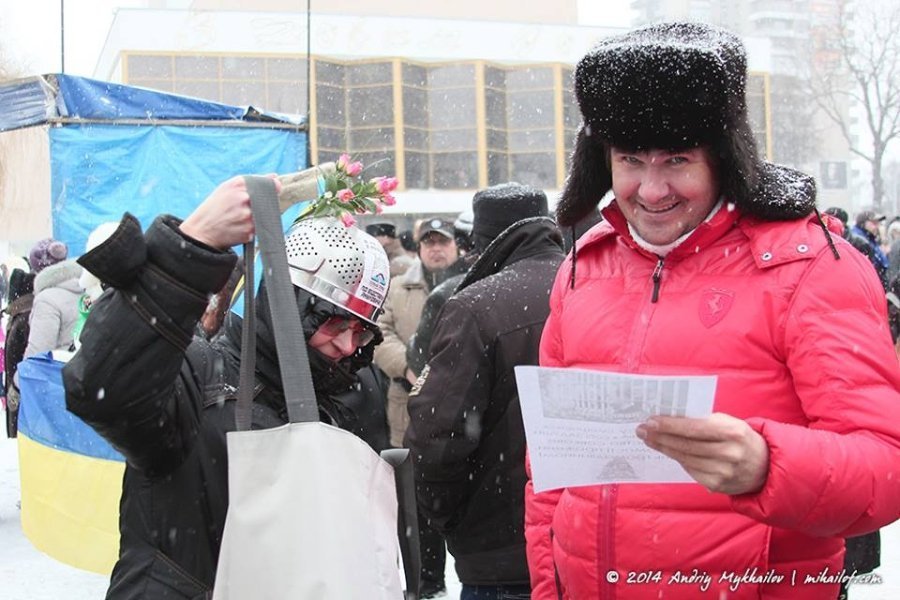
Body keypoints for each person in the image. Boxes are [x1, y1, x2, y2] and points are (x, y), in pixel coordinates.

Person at [525, 22, 900, 600]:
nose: (651, 190)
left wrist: (769, 465)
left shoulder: (808, 268)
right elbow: (549, 477)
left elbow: (885, 465)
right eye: (631, 160)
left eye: (677, 159)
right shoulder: (584, 269)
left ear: (722, 158)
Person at [62, 174, 393, 599]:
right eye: (333, 323)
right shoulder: (199, 375)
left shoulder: (351, 390)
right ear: (285, 304)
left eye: (361, 333)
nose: (347, 346)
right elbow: (103, 388)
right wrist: (190, 246)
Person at [405, 183, 564, 600]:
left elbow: (435, 434)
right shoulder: (590, 287)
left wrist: (450, 517)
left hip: (502, 552)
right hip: (587, 544)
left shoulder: (476, 306)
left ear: (482, 240)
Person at [373, 216, 461, 598]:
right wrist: (407, 367)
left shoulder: (472, 282)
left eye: (443, 241)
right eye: (429, 242)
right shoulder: (398, 288)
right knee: (416, 498)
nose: (436, 249)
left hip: (462, 408)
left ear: (456, 245)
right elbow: (380, 332)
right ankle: (428, 581)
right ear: (420, 247)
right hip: (408, 405)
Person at [23, 238, 80, 359]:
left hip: (60, 368)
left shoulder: (47, 300)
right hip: (89, 367)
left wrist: (22, 371)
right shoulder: (88, 289)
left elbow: (38, 354)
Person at [3, 265, 35, 438]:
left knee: (20, 439)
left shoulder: (23, 321)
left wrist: (15, 387)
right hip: (20, 391)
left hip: (21, 393)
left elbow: (27, 358)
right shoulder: (23, 317)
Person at [851, 209, 890, 288]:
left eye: (878, 224)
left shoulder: (870, 238)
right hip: (867, 285)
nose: (877, 227)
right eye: (874, 223)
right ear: (863, 223)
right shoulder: (859, 240)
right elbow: (877, 264)